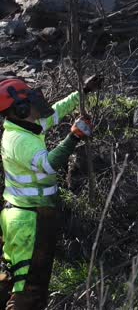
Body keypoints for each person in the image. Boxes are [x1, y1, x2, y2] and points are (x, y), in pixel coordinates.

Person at [0, 76, 101, 309]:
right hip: (29, 221)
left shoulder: (27, 126)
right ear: (21, 108)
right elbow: (48, 164)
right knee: (30, 290)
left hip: (20, 215)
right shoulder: (19, 140)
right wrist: (74, 136)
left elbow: (57, 111)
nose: (38, 102)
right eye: (31, 100)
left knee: (9, 277)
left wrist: (83, 91)